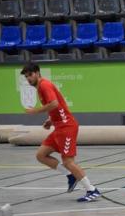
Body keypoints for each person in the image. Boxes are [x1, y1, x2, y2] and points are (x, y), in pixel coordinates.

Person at [21, 63, 100, 202]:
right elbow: (58, 107)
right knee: (41, 155)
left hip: (66, 127)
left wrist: (35, 111)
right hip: (58, 127)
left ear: (37, 73)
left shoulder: (44, 85)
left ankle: (92, 189)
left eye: (30, 75)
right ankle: (70, 175)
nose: (28, 78)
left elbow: (54, 103)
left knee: (68, 161)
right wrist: (51, 120)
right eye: (26, 76)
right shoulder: (40, 87)